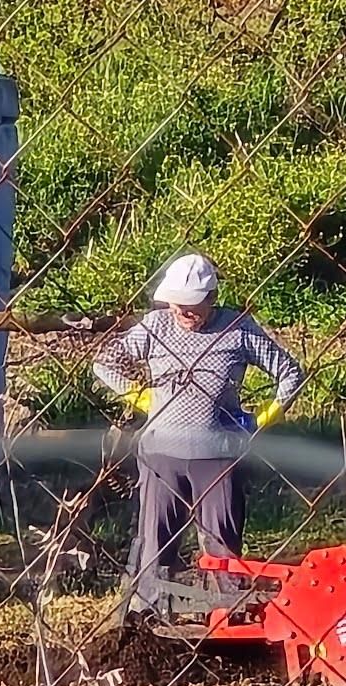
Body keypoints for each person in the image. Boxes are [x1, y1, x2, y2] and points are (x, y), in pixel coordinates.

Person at [93, 252, 305, 620]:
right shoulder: (155, 326)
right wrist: (139, 396)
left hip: (218, 456)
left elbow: (289, 373)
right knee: (155, 540)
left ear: (211, 298)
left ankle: (227, 617)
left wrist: (263, 418)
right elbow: (104, 361)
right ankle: (149, 616)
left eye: (193, 305)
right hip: (161, 455)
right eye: (177, 305)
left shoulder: (237, 329)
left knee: (221, 543)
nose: (184, 313)